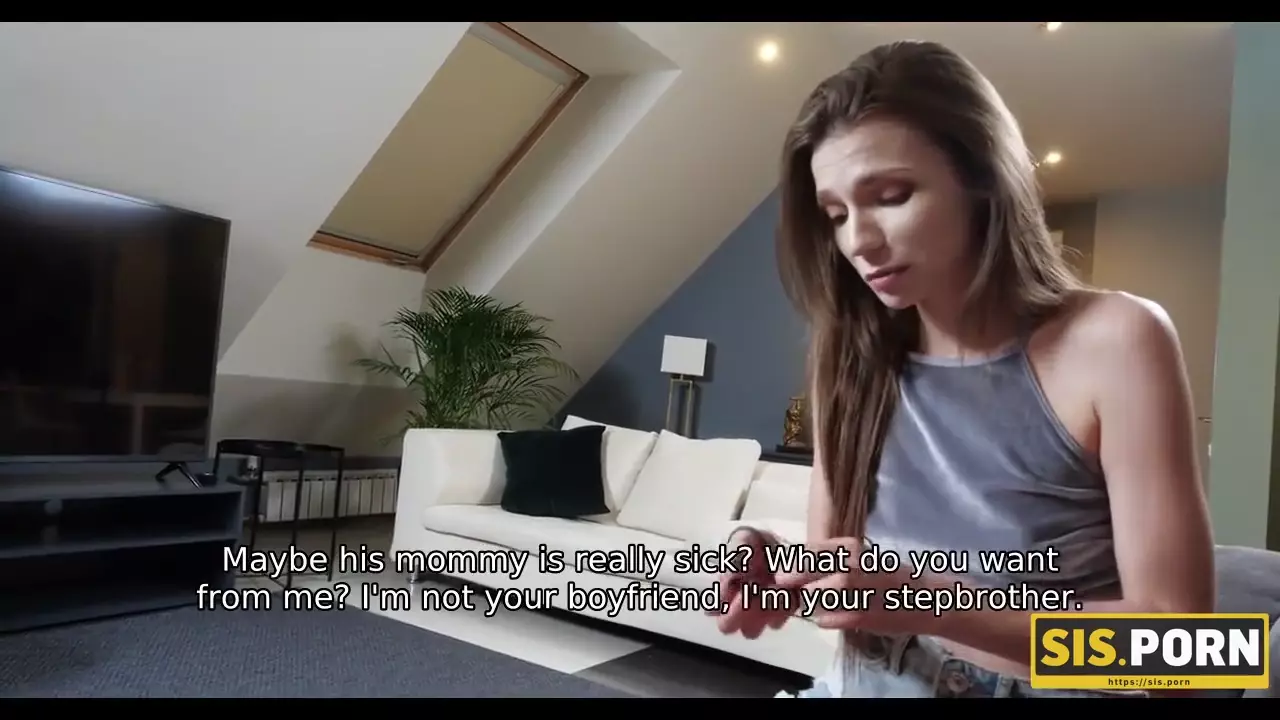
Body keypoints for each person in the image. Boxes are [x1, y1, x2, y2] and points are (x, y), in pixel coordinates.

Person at [712, 40, 1215, 698]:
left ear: (982, 180)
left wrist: (932, 604)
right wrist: (772, 565)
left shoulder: (1117, 340)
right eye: (836, 215)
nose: (858, 241)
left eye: (891, 196)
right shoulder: (851, 355)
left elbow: (1187, 654)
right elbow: (840, 576)